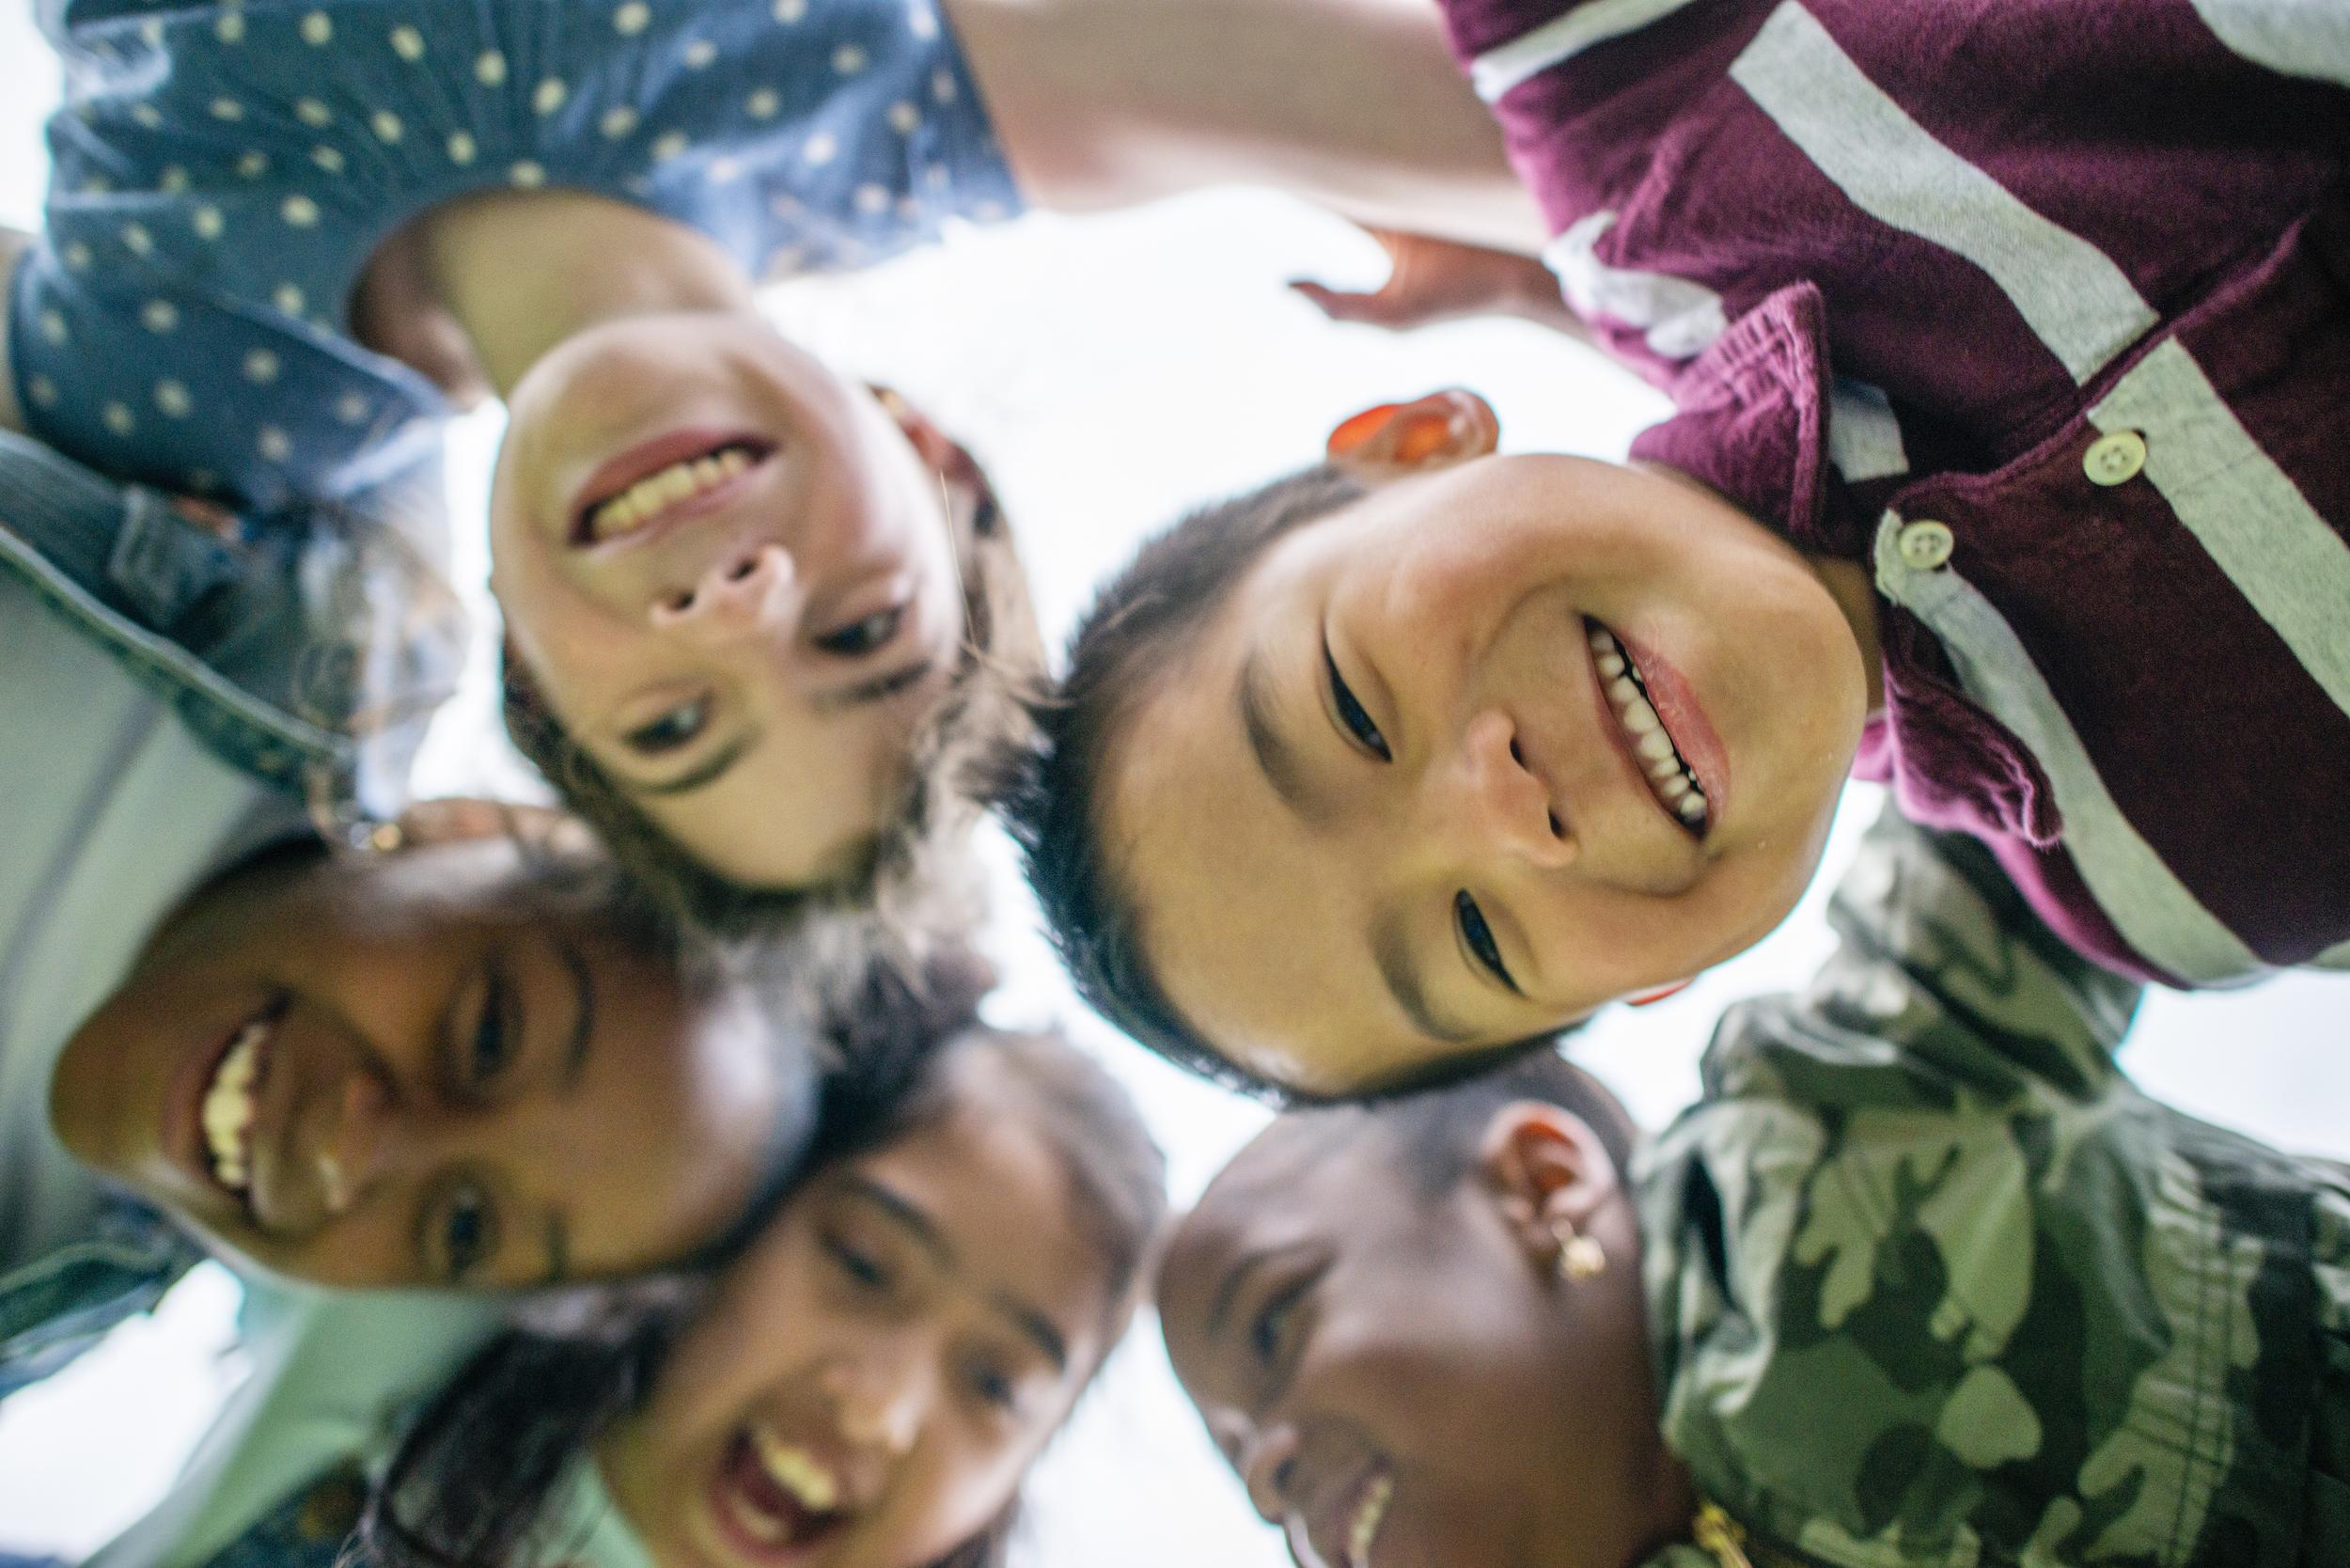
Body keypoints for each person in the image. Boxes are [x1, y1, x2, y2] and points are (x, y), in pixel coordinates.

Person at [997, 0, 2350, 1098]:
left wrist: (1557, 282)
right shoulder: (2173, 891)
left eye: (1353, 707)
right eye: (1475, 936)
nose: (1505, 811)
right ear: (1652, 988)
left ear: (1416, 444)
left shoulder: (1623, 88)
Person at [4, 0, 1546, 933]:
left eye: (677, 723)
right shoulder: (918, 85)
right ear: (928, 452)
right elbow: (1619, 154)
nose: (735, 609)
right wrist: (1563, 281)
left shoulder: (186, 388)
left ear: (532, 671)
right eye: (862, 634)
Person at [1156, 806, 2350, 1568]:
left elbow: (2025, 746)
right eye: (1237, 1457)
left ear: (1541, 1186)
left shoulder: (1838, 1116)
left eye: (1272, 1322)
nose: (1267, 1476)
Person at [190, 998, 1168, 1568]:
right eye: (866, 1265)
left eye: (996, 1387)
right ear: (739, 1220)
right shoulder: (428, 1322)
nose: (881, 1408)